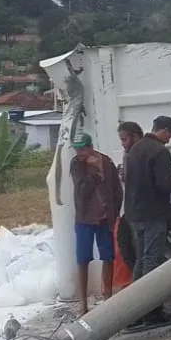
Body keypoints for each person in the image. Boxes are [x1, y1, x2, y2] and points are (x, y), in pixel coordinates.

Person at [122, 114, 171, 328]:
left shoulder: (134, 150)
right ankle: (152, 311)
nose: (170, 139)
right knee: (151, 260)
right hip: (153, 213)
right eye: (170, 135)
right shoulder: (160, 152)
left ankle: (133, 309)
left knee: (140, 260)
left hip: (133, 214)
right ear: (164, 131)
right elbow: (163, 185)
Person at [69, 133, 122, 316]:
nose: (80, 153)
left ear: (90, 147)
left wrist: (114, 214)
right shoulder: (77, 165)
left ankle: (108, 295)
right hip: (84, 218)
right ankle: (82, 302)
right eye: (77, 149)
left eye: (82, 149)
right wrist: (92, 172)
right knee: (83, 259)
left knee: (108, 257)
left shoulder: (106, 162)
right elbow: (81, 191)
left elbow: (117, 190)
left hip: (105, 218)